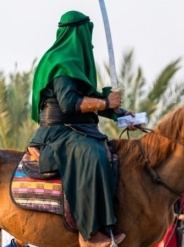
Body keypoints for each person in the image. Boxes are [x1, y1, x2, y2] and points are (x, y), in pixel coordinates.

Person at [25, 10, 133, 247]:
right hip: (58, 133)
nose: (90, 43)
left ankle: (107, 225)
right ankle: (89, 235)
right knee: (91, 154)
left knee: (109, 153)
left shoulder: (72, 66)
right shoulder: (62, 63)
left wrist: (122, 115)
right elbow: (70, 103)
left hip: (77, 129)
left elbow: (88, 98)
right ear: (79, 35)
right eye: (87, 35)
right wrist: (106, 102)